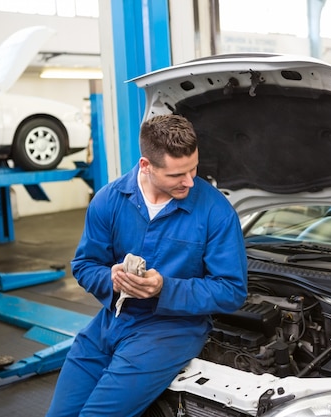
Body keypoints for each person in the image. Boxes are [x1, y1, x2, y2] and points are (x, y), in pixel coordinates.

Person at [46, 114, 248, 417]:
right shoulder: (109, 200)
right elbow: (85, 264)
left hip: (171, 329)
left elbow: (232, 290)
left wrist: (164, 288)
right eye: (177, 175)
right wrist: (110, 278)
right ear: (146, 166)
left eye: (194, 168)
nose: (190, 181)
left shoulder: (215, 211)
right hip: (110, 321)